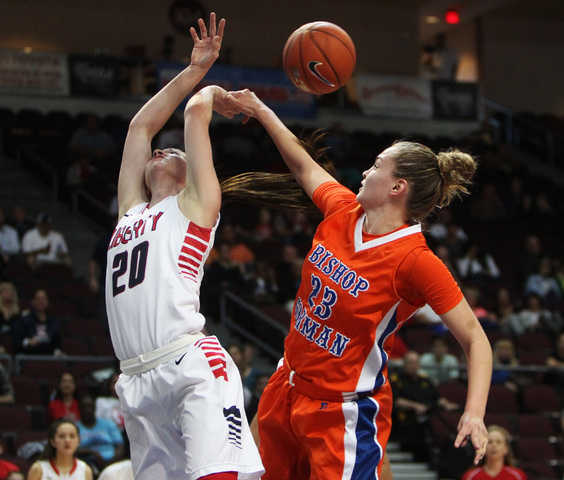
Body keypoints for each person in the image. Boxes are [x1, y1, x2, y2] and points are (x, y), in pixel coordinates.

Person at [228, 87, 493, 479]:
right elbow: (302, 165)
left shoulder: (416, 262)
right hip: (287, 385)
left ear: (397, 187)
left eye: (376, 165)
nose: (365, 172)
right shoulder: (343, 209)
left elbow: (476, 339)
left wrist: (474, 412)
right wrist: (260, 109)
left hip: (341, 411)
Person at [104, 13, 263, 480]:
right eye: (160, 149)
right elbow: (139, 128)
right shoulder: (131, 211)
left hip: (189, 364)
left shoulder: (196, 206)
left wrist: (209, 86)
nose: (159, 151)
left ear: (192, 171)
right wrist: (191, 72)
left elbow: (195, 113)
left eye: (173, 151)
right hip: (135, 378)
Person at [390, 351, 458, 464]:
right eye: (411, 363)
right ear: (404, 364)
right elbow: (396, 401)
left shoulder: (424, 380)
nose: (414, 365)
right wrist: (415, 406)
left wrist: (448, 404)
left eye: (416, 362)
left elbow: (437, 398)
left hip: (427, 415)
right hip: (406, 421)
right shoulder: (397, 379)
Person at [26, 419, 93, 480]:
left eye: (72, 436)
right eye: (62, 436)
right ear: (53, 442)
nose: (67, 440)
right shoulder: (39, 468)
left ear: (78, 441)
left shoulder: (85, 470)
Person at [76, 395, 124, 473]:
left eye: (90, 406)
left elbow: (120, 446)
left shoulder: (108, 423)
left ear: (95, 408)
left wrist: (111, 462)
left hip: (112, 462)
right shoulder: (76, 428)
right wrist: (92, 453)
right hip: (88, 465)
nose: (87, 410)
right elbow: (74, 449)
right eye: (84, 407)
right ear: (79, 409)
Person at [461, 425, 528, 480]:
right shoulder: (470, 477)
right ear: (483, 447)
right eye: (490, 442)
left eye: (498, 442)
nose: (494, 446)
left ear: (506, 449)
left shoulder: (518, 476)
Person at [12, 288, 63, 356]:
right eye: (38, 299)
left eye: (44, 299)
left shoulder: (53, 321)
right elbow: (16, 340)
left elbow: (57, 342)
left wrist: (57, 352)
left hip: (49, 358)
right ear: (32, 301)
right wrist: (29, 342)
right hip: (27, 356)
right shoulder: (24, 319)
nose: (41, 302)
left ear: (47, 302)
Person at [0, 281, 21, 351]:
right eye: (4, 291)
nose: (7, 293)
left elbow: (19, 332)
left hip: (13, 343)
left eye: (9, 291)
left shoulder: (18, 312)